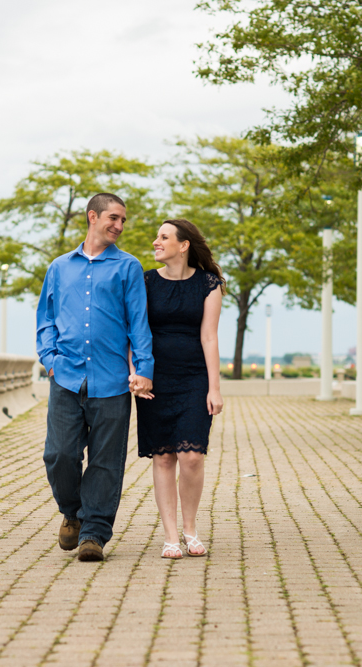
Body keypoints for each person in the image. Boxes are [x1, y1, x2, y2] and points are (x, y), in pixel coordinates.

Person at [36, 192, 154, 562]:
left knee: (106, 462)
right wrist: (49, 358)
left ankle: (94, 534)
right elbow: (46, 318)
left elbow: (139, 324)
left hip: (112, 381)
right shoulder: (59, 267)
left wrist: (145, 370)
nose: (118, 226)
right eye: (113, 218)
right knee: (59, 455)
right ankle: (72, 513)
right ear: (93, 216)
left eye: (122, 220)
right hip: (66, 377)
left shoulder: (128, 267)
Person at [131, 219, 224, 559]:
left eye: (164, 237)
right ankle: (171, 536)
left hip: (194, 378)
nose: (156, 242)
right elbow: (133, 333)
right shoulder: (144, 282)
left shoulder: (208, 284)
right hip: (156, 378)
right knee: (164, 456)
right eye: (157, 237)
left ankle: (190, 528)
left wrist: (214, 388)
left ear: (183, 245)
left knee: (192, 457)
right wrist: (136, 375)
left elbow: (209, 336)